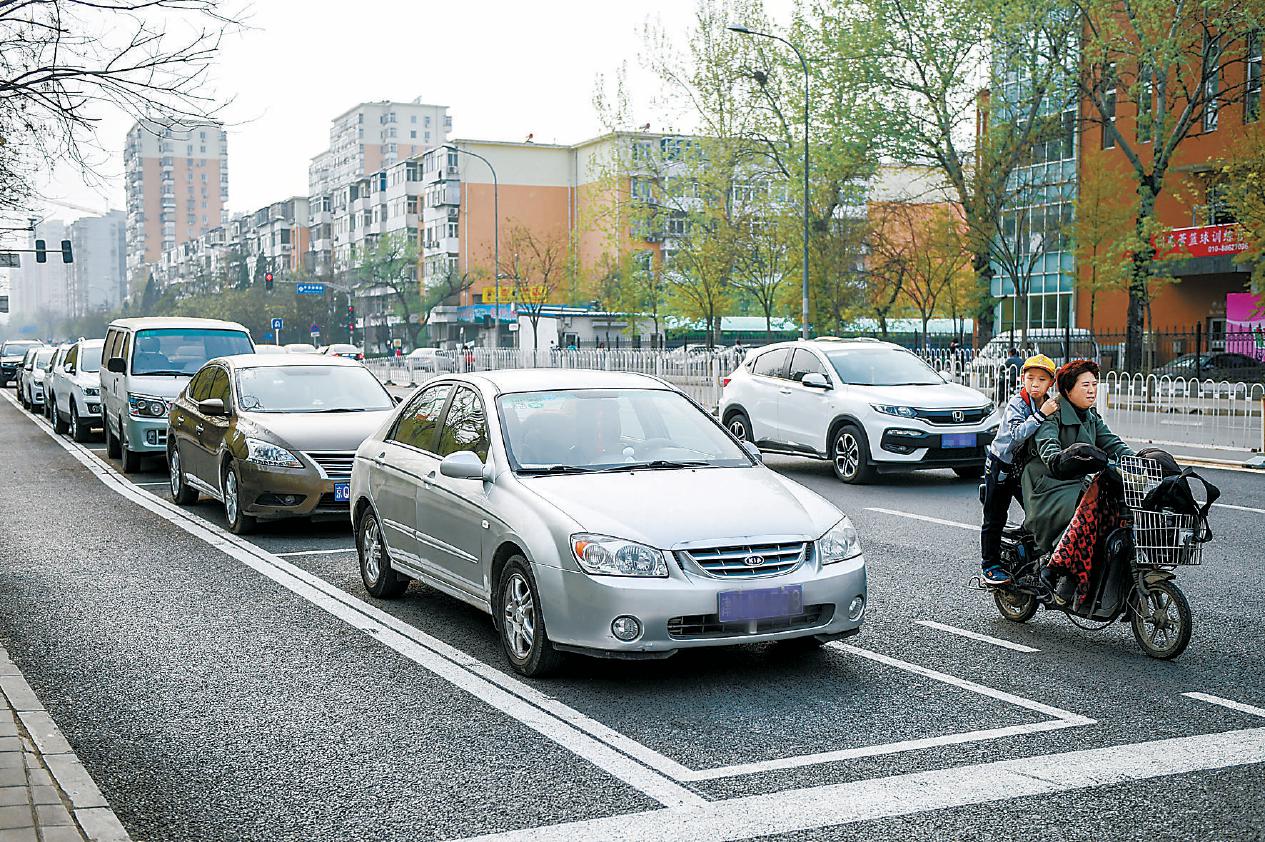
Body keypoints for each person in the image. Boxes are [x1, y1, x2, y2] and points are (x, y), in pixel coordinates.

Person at [1021, 359, 1134, 605]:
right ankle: (1058, 572)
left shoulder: (1090, 414)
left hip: (1078, 480)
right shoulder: (1054, 411)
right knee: (1086, 511)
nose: (1092, 390)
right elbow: (1048, 449)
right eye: (1085, 385)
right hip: (1048, 482)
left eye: (1094, 384)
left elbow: (1112, 443)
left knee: (1112, 506)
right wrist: (1062, 458)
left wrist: (1138, 461)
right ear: (1068, 389)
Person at [979, 354, 1058, 585]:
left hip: (1024, 469)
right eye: (1030, 377)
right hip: (1001, 466)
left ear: (1050, 383)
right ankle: (990, 566)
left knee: (1037, 512)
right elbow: (1016, 435)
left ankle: (1027, 556)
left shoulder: (1049, 402)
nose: (1035, 383)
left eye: (1042, 379)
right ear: (1022, 378)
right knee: (995, 517)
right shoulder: (1018, 403)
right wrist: (1042, 414)